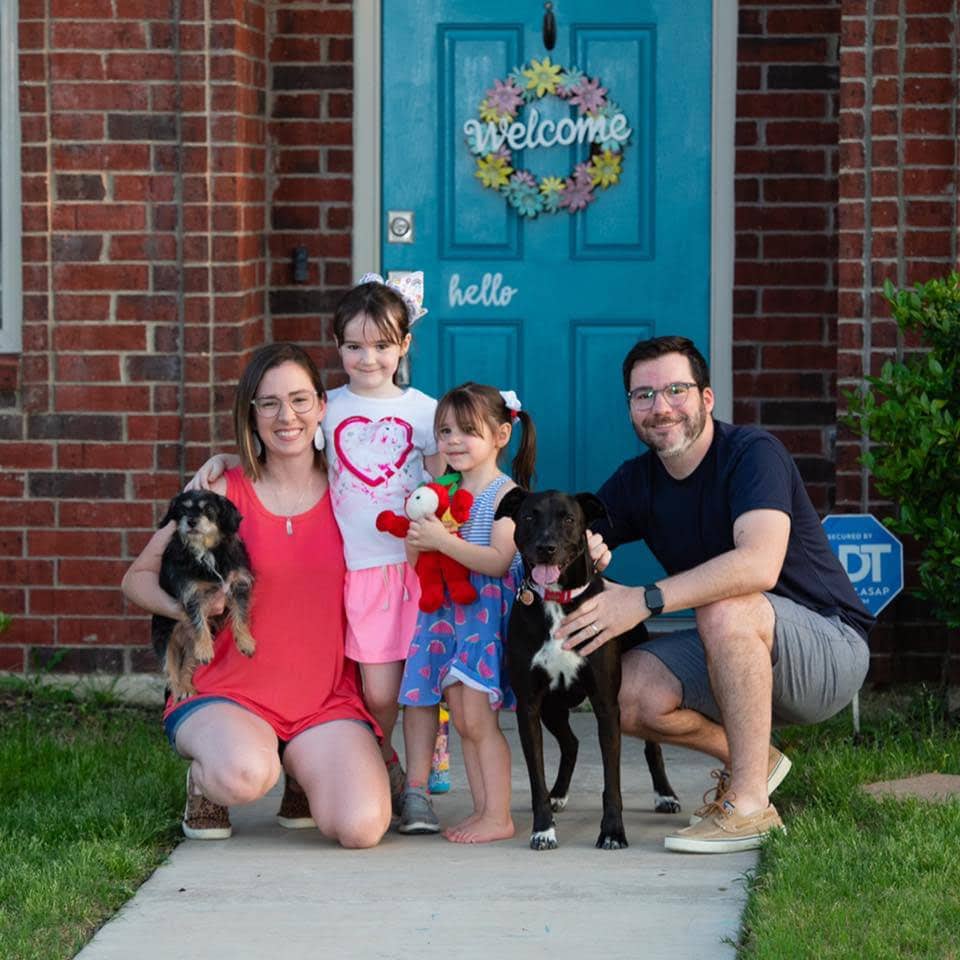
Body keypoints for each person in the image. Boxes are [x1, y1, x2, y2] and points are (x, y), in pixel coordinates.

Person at [557, 335, 872, 854]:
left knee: (726, 603)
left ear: (707, 399)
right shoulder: (637, 482)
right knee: (624, 691)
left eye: (676, 390)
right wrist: (586, 552)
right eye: (643, 396)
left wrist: (641, 599)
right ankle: (756, 761)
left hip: (827, 649)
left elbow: (758, 565)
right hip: (733, 644)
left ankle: (749, 807)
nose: (661, 408)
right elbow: (572, 541)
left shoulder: (752, 455)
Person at [188, 273, 446, 819]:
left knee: (420, 684)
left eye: (381, 346)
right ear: (338, 348)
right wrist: (232, 461)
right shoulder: (331, 407)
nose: (368, 358)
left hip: (413, 565)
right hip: (362, 574)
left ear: (405, 345)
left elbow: (447, 475)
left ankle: (409, 777)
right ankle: (348, 761)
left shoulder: (423, 412)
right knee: (377, 689)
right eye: (354, 346)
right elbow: (283, 437)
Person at [122, 343, 391, 847]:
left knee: (362, 827)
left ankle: (302, 777)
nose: (286, 416)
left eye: (299, 400)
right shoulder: (221, 492)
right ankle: (205, 784)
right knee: (245, 772)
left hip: (324, 699)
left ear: (323, 406)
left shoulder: (355, 489)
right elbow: (137, 577)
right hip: (226, 692)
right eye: (268, 403)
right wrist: (187, 607)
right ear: (251, 413)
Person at [397, 382, 536, 844]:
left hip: (482, 617)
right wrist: (418, 544)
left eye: (467, 431)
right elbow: (419, 563)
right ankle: (483, 810)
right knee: (459, 717)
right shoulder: (438, 491)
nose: (453, 441)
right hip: (444, 616)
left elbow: (499, 562)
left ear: (500, 435)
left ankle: (498, 814)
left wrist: (443, 541)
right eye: (445, 431)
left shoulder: (505, 495)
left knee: (478, 720)